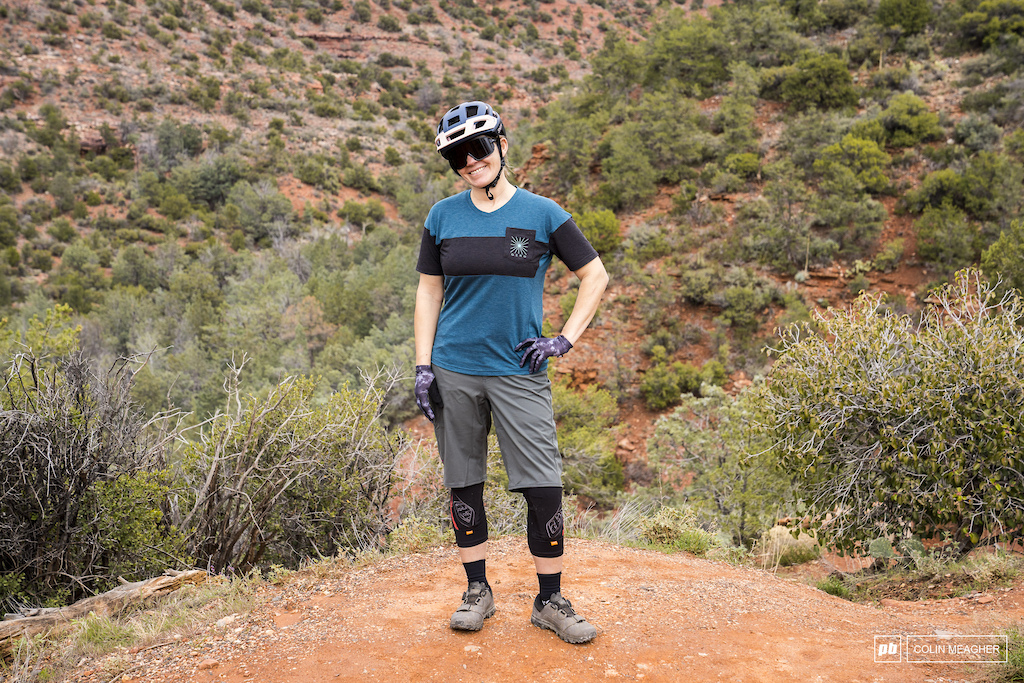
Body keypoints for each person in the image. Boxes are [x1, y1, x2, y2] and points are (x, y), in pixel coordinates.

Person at [413, 101, 609, 645]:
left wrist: (564, 338)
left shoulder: (543, 214)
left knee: (543, 485)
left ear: (503, 145)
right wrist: (423, 364)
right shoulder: (442, 217)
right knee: (463, 481)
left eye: (478, 148)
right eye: (457, 155)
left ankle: (550, 601)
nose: (469, 161)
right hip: (454, 368)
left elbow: (595, 275)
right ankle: (477, 591)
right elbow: (429, 291)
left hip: (519, 370)